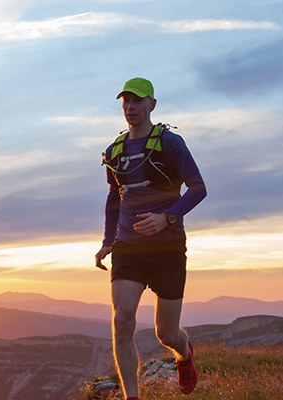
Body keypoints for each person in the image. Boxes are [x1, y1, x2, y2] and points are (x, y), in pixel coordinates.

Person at [95, 77, 207, 400]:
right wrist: (107, 240)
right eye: (125, 102)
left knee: (166, 333)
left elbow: (198, 188)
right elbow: (114, 197)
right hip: (128, 248)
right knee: (122, 321)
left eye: (137, 101)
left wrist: (167, 217)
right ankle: (133, 396)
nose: (130, 108)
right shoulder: (114, 151)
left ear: (152, 105)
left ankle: (184, 357)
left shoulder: (171, 144)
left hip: (168, 249)